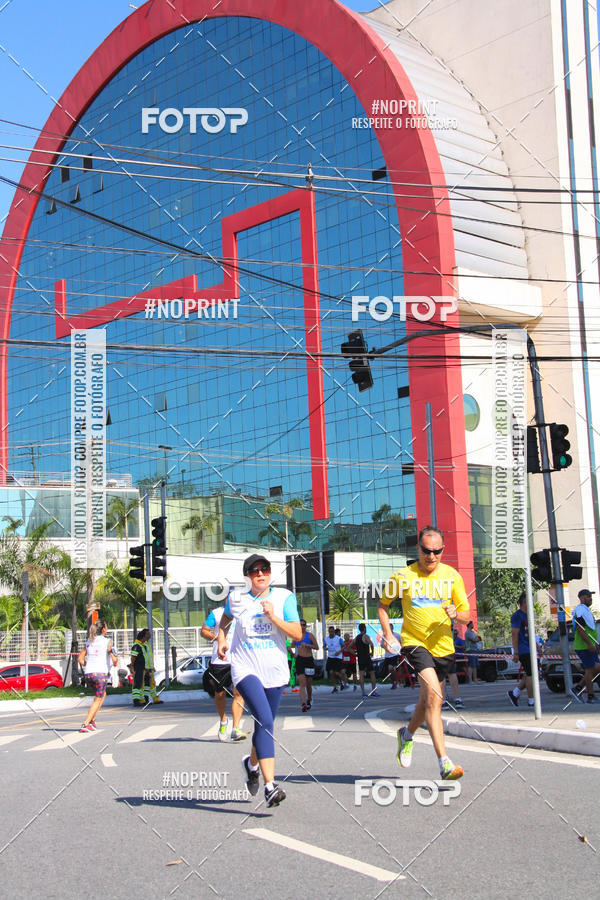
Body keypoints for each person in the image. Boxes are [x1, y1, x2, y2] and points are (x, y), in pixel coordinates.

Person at [378, 525, 471, 781]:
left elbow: (466, 614)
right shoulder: (403, 577)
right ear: (418, 549)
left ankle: (407, 734)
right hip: (415, 642)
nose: (431, 557)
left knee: (428, 700)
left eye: (437, 552)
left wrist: (456, 614)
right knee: (434, 696)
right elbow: (383, 606)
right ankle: (444, 762)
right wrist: (388, 635)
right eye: (427, 551)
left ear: (443, 550)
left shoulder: (452, 576)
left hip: (444, 648)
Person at [217, 553, 302, 808]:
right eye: (254, 571)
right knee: (265, 722)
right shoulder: (237, 598)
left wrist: (274, 617)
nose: (260, 574)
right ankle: (270, 786)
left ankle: (251, 764)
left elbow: (297, 633)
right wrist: (222, 639)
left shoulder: (284, 597)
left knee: (264, 725)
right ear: (248, 576)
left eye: (264, 569)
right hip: (245, 669)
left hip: (275, 671)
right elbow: (224, 620)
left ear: (269, 572)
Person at [201, 604, 247, 741]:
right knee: (219, 694)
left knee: (238, 692)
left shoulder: (245, 612)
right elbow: (204, 631)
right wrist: (218, 639)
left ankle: (236, 728)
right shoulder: (216, 613)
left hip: (239, 659)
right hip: (220, 660)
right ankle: (223, 720)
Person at [78, 619, 118, 732]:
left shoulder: (89, 641)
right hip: (101, 674)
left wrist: (89, 665)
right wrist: (114, 661)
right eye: (106, 626)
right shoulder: (107, 641)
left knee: (102, 694)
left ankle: (92, 719)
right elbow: (114, 659)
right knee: (98, 698)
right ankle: (86, 724)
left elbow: (80, 659)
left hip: (88, 674)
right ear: (104, 629)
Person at [572, 588, 600, 703]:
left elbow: (590, 630)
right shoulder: (580, 610)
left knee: (597, 668)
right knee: (590, 670)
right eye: (588, 597)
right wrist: (589, 644)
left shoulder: (586, 610)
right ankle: (590, 696)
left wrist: (596, 644)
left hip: (589, 646)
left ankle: (578, 688)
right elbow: (580, 629)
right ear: (582, 598)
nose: (590, 599)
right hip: (584, 646)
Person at [507, 594, 535, 708]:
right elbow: (514, 634)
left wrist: (537, 647)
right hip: (524, 649)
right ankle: (531, 700)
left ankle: (515, 693)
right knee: (530, 674)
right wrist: (516, 652)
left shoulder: (528, 615)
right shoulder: (517, 616)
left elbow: (530, 633)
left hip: (530, 648)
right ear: (524, 603)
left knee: (530, 674)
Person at [290, 619, 319, 711]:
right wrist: (290, 651)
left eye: (303, 625)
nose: (302, 627)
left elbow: (317, 647)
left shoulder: (309, 636)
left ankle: (309, 699)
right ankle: (303, 704)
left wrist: (307, 645)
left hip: (309, 660)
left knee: (308, 684)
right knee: (302, 683)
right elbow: (291, 646)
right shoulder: (296, 636)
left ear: (306, 626)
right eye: (300, 625)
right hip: (300, 660)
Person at [131, 628, 163, 706]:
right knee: (139, 684)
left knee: (148, 685)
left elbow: (147, 657)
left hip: (147, 667)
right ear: (144, 636)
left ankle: (146, 699)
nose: (150, 635)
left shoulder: (145, 644)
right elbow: (133, 658)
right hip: (141, 667)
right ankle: (138, 700)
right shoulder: (138, 645)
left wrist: (151, 666)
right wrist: (133, 666)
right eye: (148, 634)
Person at [352, 623, 379, 697]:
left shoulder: (356, 638)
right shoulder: (365, 636)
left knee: (361, 674)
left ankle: (363, 692)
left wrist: (355, 654)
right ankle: (373, 691)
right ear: (364, 629)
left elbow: (349, 648)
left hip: (360, 658)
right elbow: (372, 644)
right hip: (366, 657)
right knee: (372, 673)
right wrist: (372, 652)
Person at [442, 629, 464, 710]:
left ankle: (443, 701)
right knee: (451, 673)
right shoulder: (449, 620)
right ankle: (458, 699)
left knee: (442, 675)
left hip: (439, 647)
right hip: (448, 647)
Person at [323, 625, 346, 692]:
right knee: (331, 672)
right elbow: (324, 646)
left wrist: (339, 652)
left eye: (332, 631)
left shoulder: (338, 638)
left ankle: (342, 681)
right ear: (328, 632)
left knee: (336, 672)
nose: (331, 633)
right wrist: (325, 648)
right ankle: (335, 687)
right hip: (331, 657)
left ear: (334, 632)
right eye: (330, 632)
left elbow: (344, 646)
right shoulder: (326, 639)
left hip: (338, 657)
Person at [464, 620, 482, 684]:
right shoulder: (468, 632)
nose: (473, 625)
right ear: (469, 625)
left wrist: (477, 639)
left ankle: (475, 679)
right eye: (472, 624)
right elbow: (475, 639)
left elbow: (478, 638)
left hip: (475, 649)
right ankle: (470, 680)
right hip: (470, 650)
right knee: (471, 665)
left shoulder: (472, 632)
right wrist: (477, 639)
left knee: (475, 666)